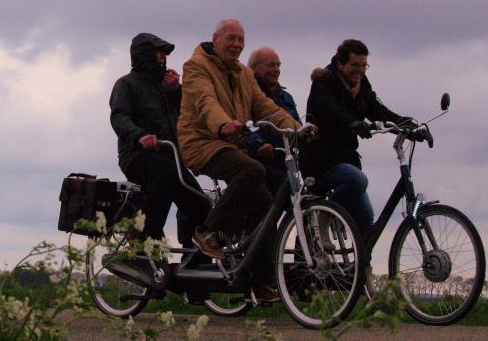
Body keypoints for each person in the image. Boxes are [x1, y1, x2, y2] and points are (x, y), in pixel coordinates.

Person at [178, 19, 311, 302]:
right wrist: (223, 124)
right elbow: (205, 101)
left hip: (229, 143)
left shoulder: (243, 73)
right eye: (231, 39)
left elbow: (266, 107)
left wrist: (298, 128)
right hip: (201, 141)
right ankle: (207, 231)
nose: (237, 45)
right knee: (252, 169)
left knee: (266, 206)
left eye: (241, 40)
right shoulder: (195, 67)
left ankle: (259, 282)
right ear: (215, 39)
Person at [301, 39, 415, 288]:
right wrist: (351, 123)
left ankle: (360, 270)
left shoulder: (361, 85)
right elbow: (329, 109)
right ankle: (324, 214)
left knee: (365, 219)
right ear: (340, 63)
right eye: (355, 65)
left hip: (346, 158)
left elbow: (375, 108)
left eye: (364, 65)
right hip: (319, 159)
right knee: (358, 180)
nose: (360, 70)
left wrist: (405, 122)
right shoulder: (324, 82)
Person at [109, 32, 210, 246]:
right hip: (137, 155)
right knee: (167, 176)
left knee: (201, 206)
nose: (163, 57)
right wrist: (140, 136)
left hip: (170, 156)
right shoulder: (125, 84)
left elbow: (187, 114)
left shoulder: (164, 88)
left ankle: (194, 258)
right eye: (159, 53)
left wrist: (175, 91)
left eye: (165, 54)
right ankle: (144, 237)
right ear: (144, 55)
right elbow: (119, 116)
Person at [246, 47, 301, 194]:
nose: (276, 69)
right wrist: (259, 144)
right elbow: (244, 123)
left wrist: (305, 132)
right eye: (271, 65)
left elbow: (295, 126)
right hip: (260, 160)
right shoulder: (247, 95)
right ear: (253, 68)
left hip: (286, 160)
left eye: (278, 65)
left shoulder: (286, 97)